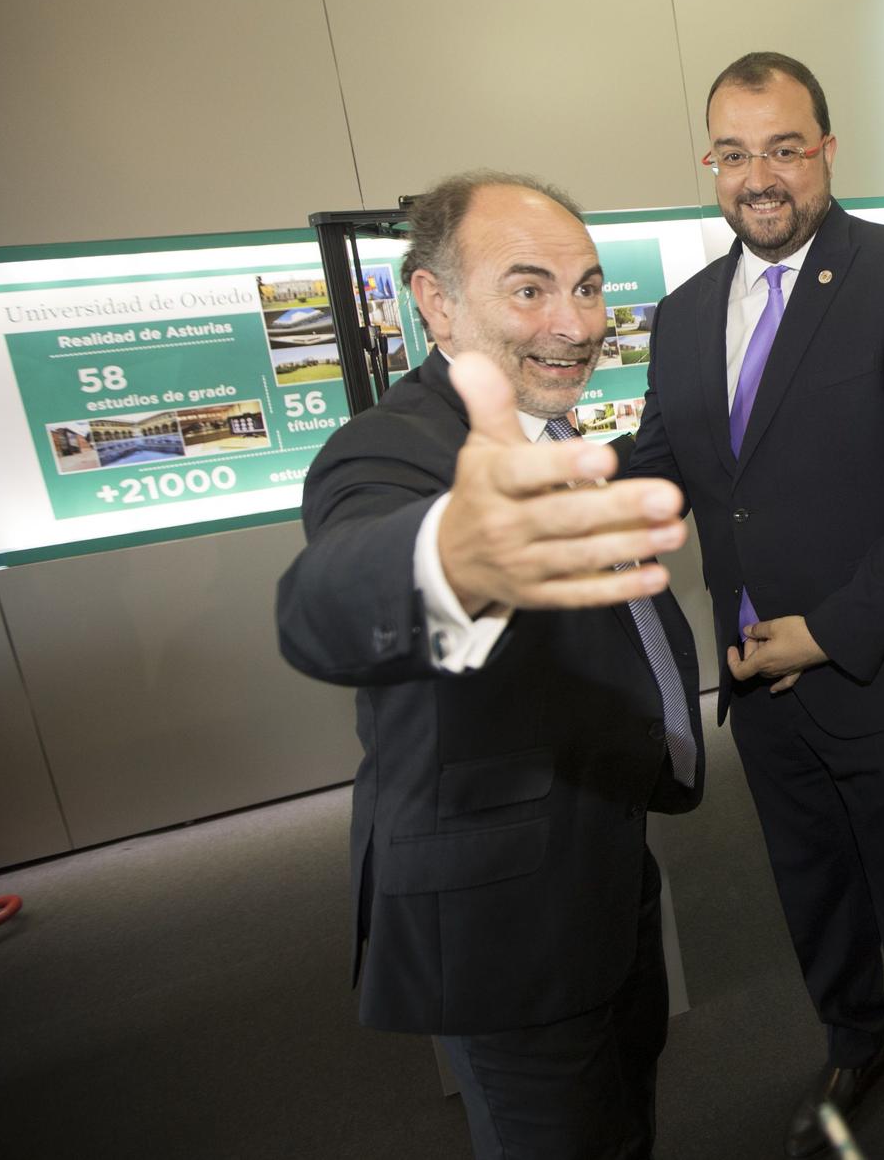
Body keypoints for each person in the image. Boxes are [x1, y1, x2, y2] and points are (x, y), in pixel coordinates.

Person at [276, 173, 704, 1160]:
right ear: (434, 301)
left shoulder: (547, 434)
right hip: (505, 929)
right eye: (529, 288)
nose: (574, 321)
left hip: (603, 869)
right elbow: (326, 601)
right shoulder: (386, 448)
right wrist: (449, 557)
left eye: (589, 287)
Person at [626, 53, 884, 1159]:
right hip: (760, 688)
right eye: (734, 154)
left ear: (827, 150)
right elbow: (660, 468)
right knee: (814, 897)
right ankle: (856, 1038)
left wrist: (829, 631)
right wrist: (528, 482)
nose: (759, 176)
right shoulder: (684, 314)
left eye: (783, 148)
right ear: (711, 166)